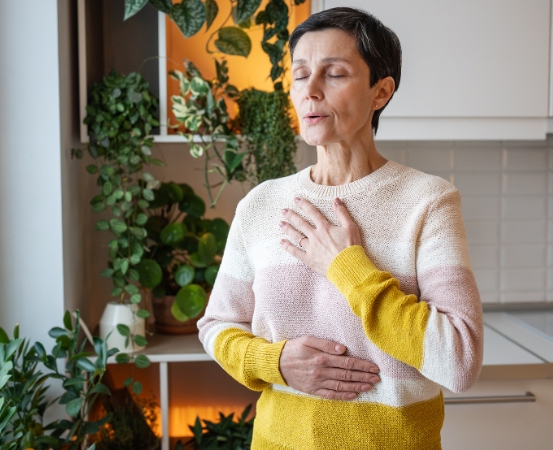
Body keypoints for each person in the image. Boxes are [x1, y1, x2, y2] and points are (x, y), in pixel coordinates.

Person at [197, 7, 483, 449]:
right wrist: (275, 362)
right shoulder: (261, 204)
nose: (310, 90)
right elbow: (217, 325)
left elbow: (459, 361)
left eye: (334, 74)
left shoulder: (428, 201)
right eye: (300, 74)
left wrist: (347, 266)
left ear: (380, 92)